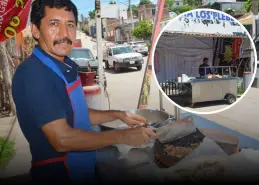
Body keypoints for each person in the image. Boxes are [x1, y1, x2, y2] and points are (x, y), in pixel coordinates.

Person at [11, 0, 157, 184]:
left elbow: (76, 113)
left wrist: (119, 115)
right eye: (54, 24)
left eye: (70, 25)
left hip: (83, 168)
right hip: (60, 174)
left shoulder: (66, 64)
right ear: (35, 30)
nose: (64, 34)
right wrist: (122, 136)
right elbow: (61, 139)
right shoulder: (34, 73)